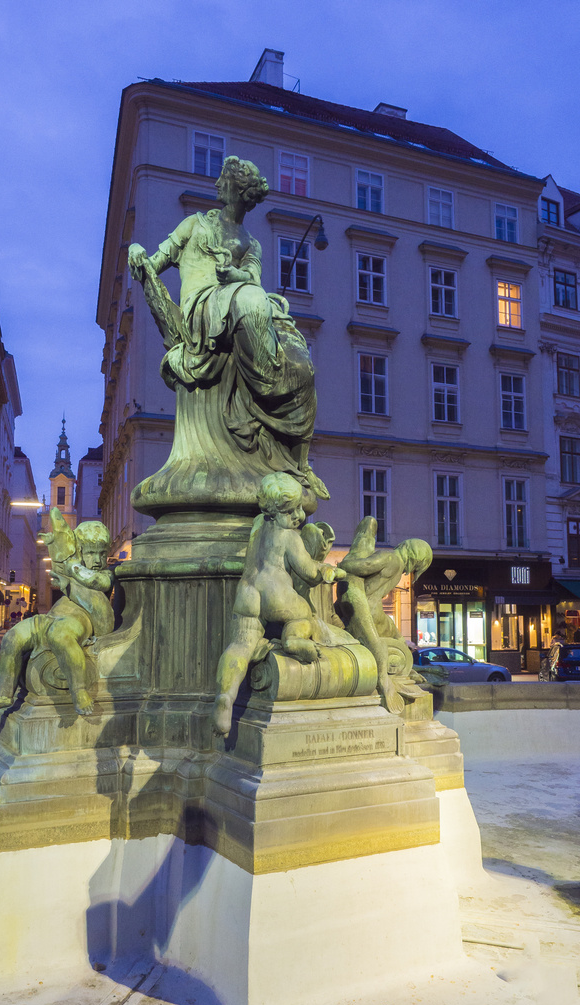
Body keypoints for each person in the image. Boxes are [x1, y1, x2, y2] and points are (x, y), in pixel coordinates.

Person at [128, 155, 327, 516]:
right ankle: (266, 380)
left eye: (224, 181)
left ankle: (283, 395)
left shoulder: (251, 243)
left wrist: (232, 276)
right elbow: (155, 263)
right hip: (199, 309)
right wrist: (136, 252)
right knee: (254, 300)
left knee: (297, 350)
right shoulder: (195, 225)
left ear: (235, 191)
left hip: (233, 298)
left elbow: (250, 277)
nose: (218, 185)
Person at [211, 472, 346, 736]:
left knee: (240, 645)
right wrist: (327, 571)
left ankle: (225, 695)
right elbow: (307, 571)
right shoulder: (290, 537)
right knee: (303, 616)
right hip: (277, 594)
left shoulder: (259, 524)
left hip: (249, 592)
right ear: (279, 511)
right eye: (293, 510)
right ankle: (293, 640)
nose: (299, 516)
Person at [0, 513, 115, 718]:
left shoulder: (104, 575)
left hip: (76, 621)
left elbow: (97, 585)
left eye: (102, 554)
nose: (97, 560)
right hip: (48, 618)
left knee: (61, 636)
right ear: (79, 551)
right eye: (90, 553)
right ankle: (3, 693)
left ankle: (79, 691)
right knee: (12, 637)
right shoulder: (71, 570)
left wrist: (72, 569)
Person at [336, 516, 432, 714]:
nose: (411, 571)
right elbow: (361, 567)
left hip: (368, 607)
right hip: (363, 606)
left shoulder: (395, 564)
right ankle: (384, 683)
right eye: (416, 567)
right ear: (415, 557)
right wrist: (342, 567)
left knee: (393, 635)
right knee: (378, 645)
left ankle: (405, 670)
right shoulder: (391, 558)